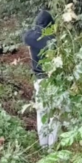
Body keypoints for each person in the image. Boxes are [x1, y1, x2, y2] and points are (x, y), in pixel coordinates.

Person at [23, 10, 58, 148]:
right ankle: (52, 146)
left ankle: (44, 146)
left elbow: (28, 36)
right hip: (53, 81)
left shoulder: (29, 37)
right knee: (55, 115)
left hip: (39, 81)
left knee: (42, 113)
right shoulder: (53, 40)